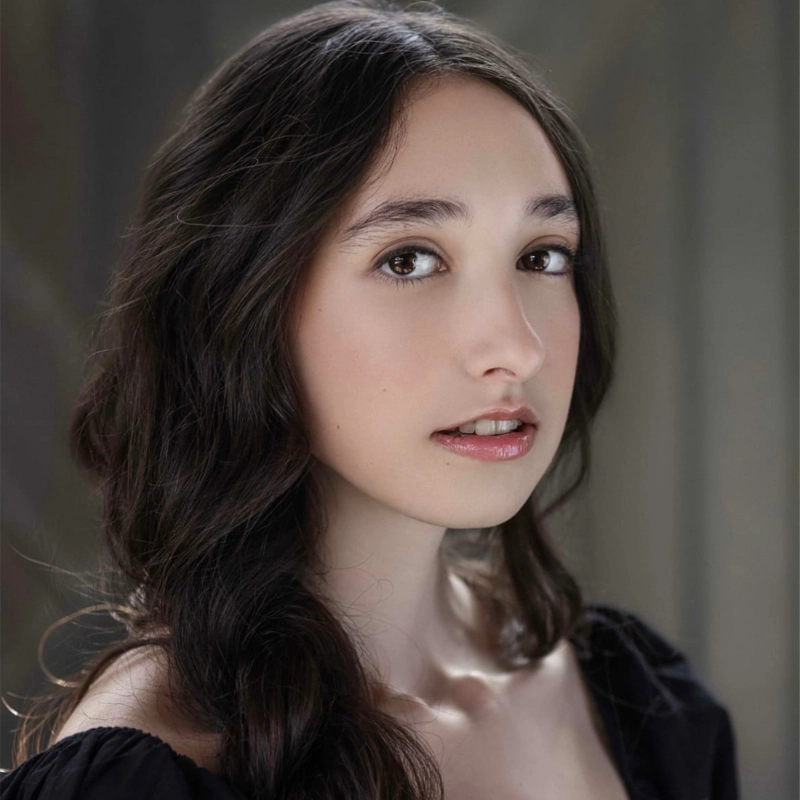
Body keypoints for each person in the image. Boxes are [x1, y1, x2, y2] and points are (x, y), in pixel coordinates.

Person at [1, 1, 740, 798]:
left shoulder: (641, 702)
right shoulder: (145, 777)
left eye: (543, 255)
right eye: (411, 259)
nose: (517, 346)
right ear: (242, 303)